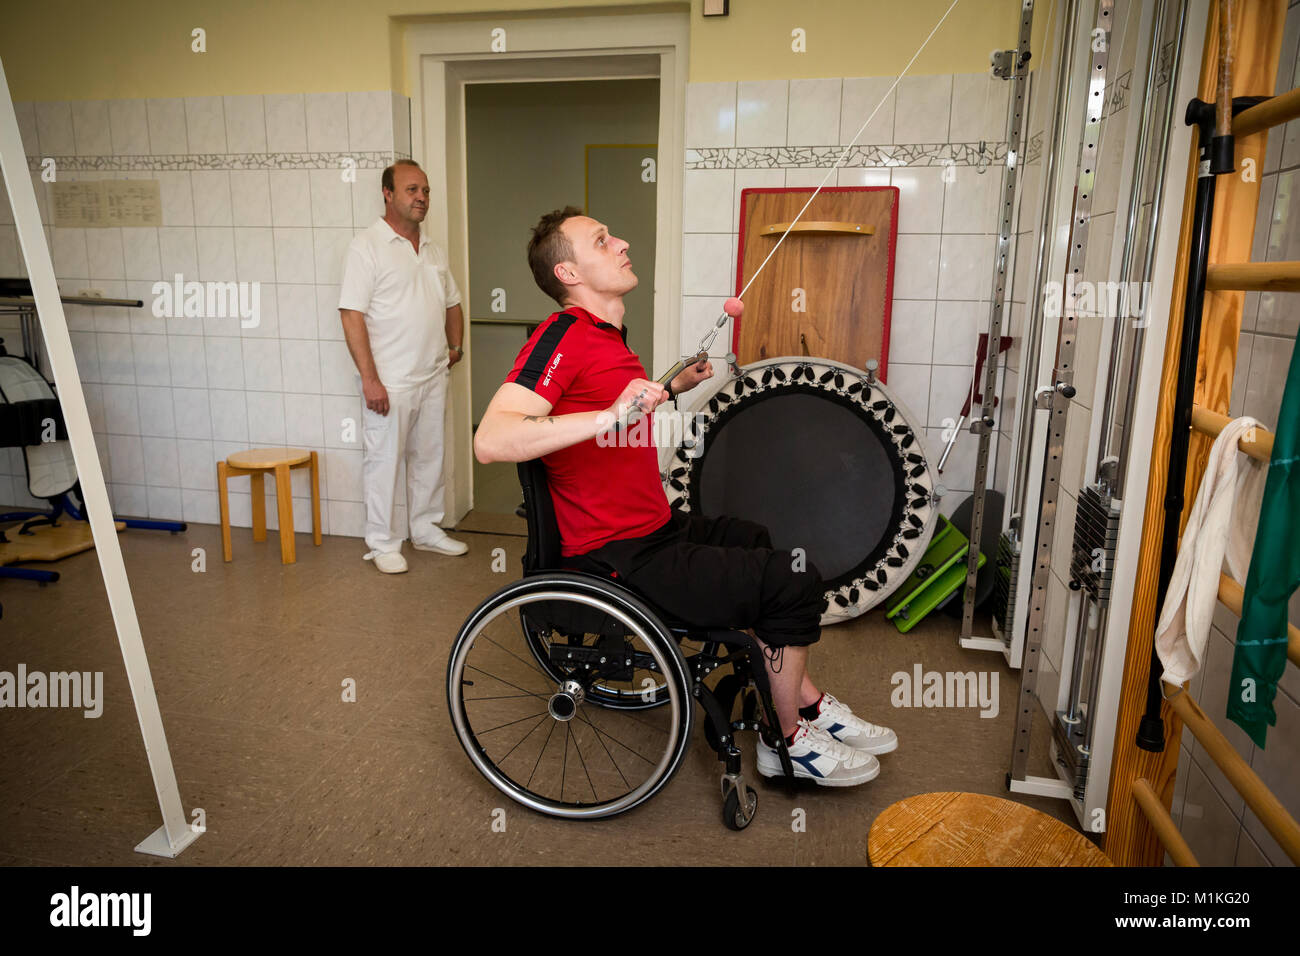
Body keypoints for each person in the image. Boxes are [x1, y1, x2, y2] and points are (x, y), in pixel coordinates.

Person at [473, 206, 898, 786]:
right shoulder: (561, 334)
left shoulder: (608, 338)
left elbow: (615, 427)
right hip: (617, 555)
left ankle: (808, 703)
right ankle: (788, 741)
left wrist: (669, 389)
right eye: (602, 239)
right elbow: (493, 439)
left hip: (653, 527)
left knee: (755, 540)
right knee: (791, 581)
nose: (621, 241)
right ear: (569, 273)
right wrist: (611, 414)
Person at [338, 159, 468, 574]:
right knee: (383, 461)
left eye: (425, 191)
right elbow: (351, 314)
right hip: (390, 381)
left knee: (430, 456)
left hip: (432, 373)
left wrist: (455, 346)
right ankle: (381, 543)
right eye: (412, 190)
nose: (422, 198)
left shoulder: (431, 248)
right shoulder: (367, 247)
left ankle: (426, 530)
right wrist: (370, 380)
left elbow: (452, 301)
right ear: (388, 194)